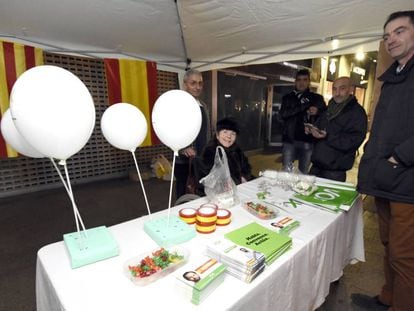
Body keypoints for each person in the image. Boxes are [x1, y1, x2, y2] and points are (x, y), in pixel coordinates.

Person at [353, 11, 414, 311]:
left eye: (400, 31)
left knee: (405, 256)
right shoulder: (394, 76)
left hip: (407, 182)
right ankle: (388, 299)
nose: (391, 39)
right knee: (389, 248)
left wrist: (398, 157)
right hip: (386, 179)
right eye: (387, 35)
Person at [308, 76, 367, 182]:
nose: (337, 92)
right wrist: (311, 130)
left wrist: (328, 136)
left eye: (342, 88)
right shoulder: (329, 108)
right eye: (334, 89)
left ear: (351, 89)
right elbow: (319, 126)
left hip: (335, 171)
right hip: (317, 166)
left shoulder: (357, 113)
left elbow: (353, 141)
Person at [280, 69, 326, 173]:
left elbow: (325, 114)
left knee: (303, 173)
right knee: (286, 173)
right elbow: (284, 114)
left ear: (309, 82)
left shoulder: (316, 98)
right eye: (299, 80)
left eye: (305, 80)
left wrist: (317, 111)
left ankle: (301, 189)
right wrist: (303, 106)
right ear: (295, 81)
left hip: (308, 141)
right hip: (289, 140)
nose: (302, 83)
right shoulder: (287, 98)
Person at [174, 69, 211, 199]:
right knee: (184, 195)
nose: (197, 87)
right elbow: (170, 131)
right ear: (185, 84)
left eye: (200, 83)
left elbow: (206, 132)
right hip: (184, 162)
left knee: (200, 194)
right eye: (193, 83)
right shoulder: (178, 105)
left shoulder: (204, 106)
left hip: (201, 160)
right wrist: (182, 149)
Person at [200, 117, 252, 185]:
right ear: (217, 135)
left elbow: (246, 167)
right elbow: (210, 176)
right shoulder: (210, 151)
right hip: (220, 192)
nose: (229, 136)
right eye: (225, 132)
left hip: (239, 186)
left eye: (233, 133)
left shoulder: (237, 149)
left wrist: (244, 177)